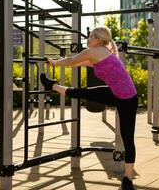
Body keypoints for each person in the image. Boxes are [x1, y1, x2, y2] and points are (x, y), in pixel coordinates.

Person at [40, 26, 138, 190]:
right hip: (117, 93)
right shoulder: (101, 53)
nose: (88, 38)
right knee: (83, 92)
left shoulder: (93, 51)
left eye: (91, 36)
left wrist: (56, 63)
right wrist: (55, 62)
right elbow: (76, 63)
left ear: (98, 40)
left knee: (127, 137)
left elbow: (72, 61)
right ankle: (52, 86)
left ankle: (127, 179)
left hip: (128, 98)